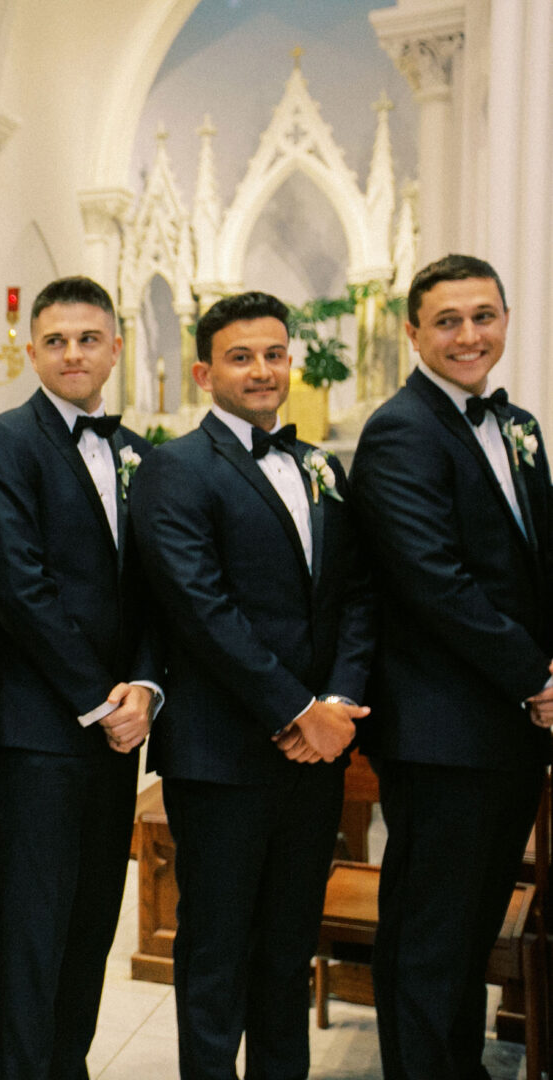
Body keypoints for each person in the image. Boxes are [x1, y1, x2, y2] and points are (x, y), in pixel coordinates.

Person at [130, 290, 375, 1080]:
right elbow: (202, 611)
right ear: (205, 371)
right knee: (215, 954)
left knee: (287, 949)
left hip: (315, 756)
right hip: (223, 754)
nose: (262, 370)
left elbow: (354, 594)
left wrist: (336, 705)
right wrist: (296, 710)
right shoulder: (173, 469)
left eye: (274, 354)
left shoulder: (319, 466)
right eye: (241, 356)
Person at [351, 253, 553, 1080]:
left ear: (505, 319)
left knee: (471, 930)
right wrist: (537, 679)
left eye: (483, 316)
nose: (469, 335)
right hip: (442, 730)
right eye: (448, 320)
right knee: (431, 939)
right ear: (412, 332)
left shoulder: (516, 425)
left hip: (503, 729)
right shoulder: (402, 429)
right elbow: (435, 581)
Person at [0, 275, 160, 1080]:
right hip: (36, 728)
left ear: (116, 347)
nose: (73, 353)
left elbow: (157, 587)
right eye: (56, 340)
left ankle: (67, 1066)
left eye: (88, 338)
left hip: (120, 725)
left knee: (91, 923)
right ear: (32, 350)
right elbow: (21, 586)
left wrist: (144, 686)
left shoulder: (138, 450)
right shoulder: (3, 441)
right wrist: (97, 698)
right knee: (35, 928)